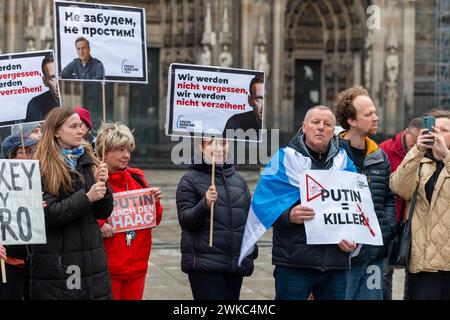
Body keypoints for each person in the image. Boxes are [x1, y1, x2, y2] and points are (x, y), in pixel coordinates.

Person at [244, 105, 358, 300]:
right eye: (315, 122)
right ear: (304, 127)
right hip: (295, 262)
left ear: (334, 131)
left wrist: (352, 238)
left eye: (327, 124)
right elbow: (263, 204)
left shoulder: (345, 162)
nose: (321, 127)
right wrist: (289, 215)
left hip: (334, 263)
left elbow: (356, 208)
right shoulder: (283, 160)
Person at [30, 107, 113, 299]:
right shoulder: (41, 166)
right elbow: (50, 214)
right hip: (58, 264)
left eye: (81, 126)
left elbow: (102, 212)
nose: (80, 131)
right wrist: (87, 197)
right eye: (73, 126)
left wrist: (104, 186)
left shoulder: (89, 159)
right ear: (57, 131)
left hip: (92, 263)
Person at [335, 86, 397, 300]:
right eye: (368, 114)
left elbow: (389, 198)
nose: (375, 117)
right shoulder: (332, 154)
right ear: (351, 120)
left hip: (374, 254)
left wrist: (386, 228)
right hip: (341, 256)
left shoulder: (379, 156)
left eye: (375, 111)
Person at [176, 137, 256, 300]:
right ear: (201, 146)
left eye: (223, 143)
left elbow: (248, 221)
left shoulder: (239, 181)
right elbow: (186, 220)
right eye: (211, 142)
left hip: (234, 265)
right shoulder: (189, 179)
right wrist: (204, 204)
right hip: (205, 264)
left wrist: (251, 251)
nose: (218, 148)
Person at [95, 122, 163, 300]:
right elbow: (81, 214)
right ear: (105, 150)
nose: (126, 155)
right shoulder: (92, 179)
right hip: (108, 268)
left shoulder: (137, 177)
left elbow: (154, 219)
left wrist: (154, 202)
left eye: (128, 150)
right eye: (120, 149)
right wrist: (100, 224)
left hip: (137, 267)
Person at [390, 109, 450, 300]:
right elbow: (399, 187)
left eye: (445, 130)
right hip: (423, 261)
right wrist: (416, 150)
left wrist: (446, 155)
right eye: (434, 129)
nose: (437, 133)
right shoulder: (420, 162)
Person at [379, 117, 422, 300]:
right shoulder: (384, 150)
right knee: (385, 273)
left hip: (414, 221)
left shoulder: (428, 151)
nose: (416, 147)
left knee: (414, 274)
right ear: (406, 132)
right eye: (414, 142)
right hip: (391, 220)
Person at [0, 134, 38, 300]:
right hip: (8, 261)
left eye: (32, 150)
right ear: (10, 156)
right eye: (26, 151)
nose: (32, 155)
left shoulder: (38, 179)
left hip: (35, 260)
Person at [223, 74, 264, 140]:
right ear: (250, 101)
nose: (264, 107)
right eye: (259, 98)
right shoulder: (234, 124)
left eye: (269, 98)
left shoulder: (283, 128)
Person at [25, 54, 60, 122]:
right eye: (53, 77)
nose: (58, 84)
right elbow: (31, 131)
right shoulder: (35, 105)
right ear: (45, 81)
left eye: (61, 75)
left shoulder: (81, 100)